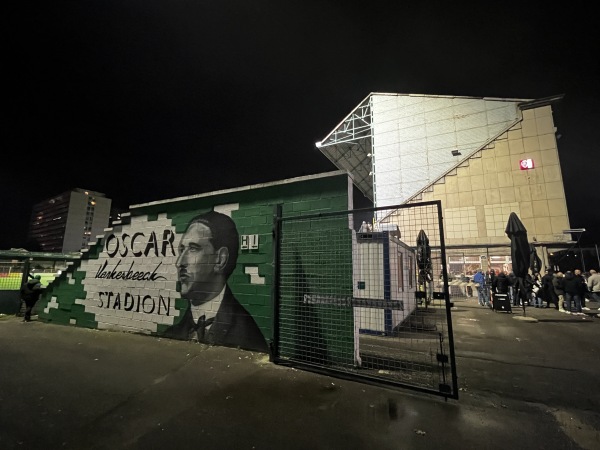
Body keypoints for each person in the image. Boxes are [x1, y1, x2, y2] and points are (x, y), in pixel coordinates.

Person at [163, 210, 268, 353]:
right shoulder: (172, 334)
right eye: (182, 250)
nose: (179, 262)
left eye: (193, 249)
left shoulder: (248, 338)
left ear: (220, 259)